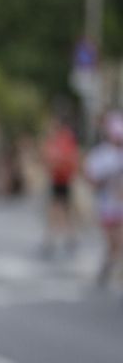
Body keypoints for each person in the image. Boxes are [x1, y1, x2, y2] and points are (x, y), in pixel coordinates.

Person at [85, 110, 123, 288]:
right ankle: (107, 267)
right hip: (107, 206)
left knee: (119, 241)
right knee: (111, 243)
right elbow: (91, 180)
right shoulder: (102, 154)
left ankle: (112, 269)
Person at [40, 112, 80, 258]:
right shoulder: (53, 140)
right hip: (56, 180)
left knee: (61, 211)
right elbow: (47, 159)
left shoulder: (65, 140)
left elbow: (69, 158)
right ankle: (54, 239)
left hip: (63, 180)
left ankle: (64, 238)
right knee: (55, 211)